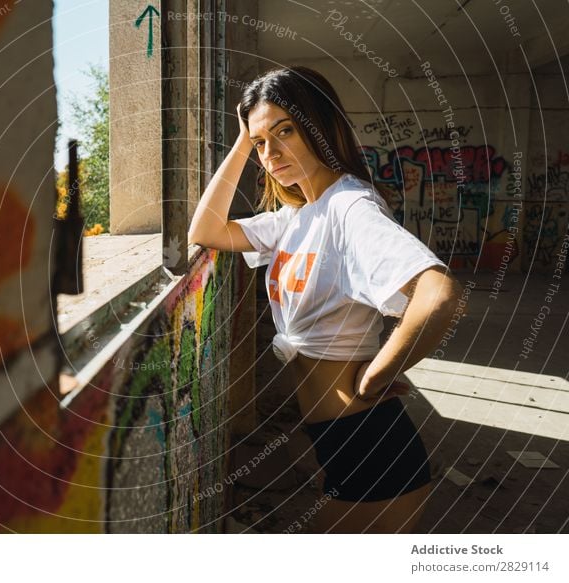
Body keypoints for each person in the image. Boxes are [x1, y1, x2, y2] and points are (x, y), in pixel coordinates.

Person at [188, 66, 463, 533]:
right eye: (261, 143)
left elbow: (439, 295)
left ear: (324, 125)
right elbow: (205, 230)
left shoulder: (349, 207)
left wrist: (382, 371)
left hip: (370, 442)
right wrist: (241, 143)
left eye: (285, 131)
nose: (270, 154)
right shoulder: (295, 216)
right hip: (333, 438)